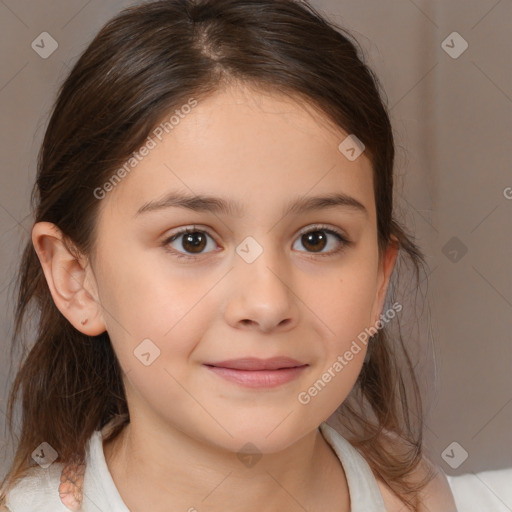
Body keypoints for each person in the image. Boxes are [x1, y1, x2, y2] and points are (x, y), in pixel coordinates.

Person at [0, 0, 457, 510]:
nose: (265, 304)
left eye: (316, 239)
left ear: (378, 280)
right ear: (77, 279)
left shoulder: (415, 497)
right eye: (192, 240)